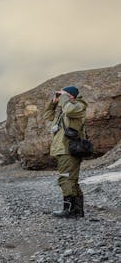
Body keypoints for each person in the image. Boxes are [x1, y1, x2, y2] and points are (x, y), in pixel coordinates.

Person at [43, 86, 88, 218]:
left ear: (72, 95)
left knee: (65, 178)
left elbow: (69, 109)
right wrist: (54, 102)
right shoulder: (63, 110)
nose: (62, 96)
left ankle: (68, 210)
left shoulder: (79, 106)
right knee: (71, 180)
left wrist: (63, 98)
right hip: (63, 149)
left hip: (69, 149)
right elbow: (47, 115)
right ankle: (77, 211)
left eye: (65, 94)